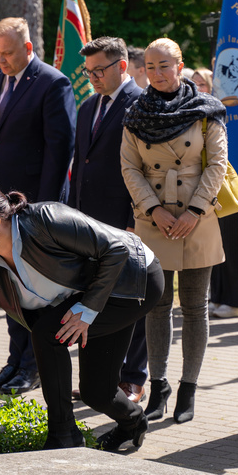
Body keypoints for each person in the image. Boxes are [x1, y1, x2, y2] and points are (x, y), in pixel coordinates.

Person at [0, 182, 164, 451]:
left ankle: (64, 434)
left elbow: (116, 249)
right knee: (96, 393)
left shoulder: (47, 219)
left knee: (47, 333)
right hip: (96, 292)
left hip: (135, 280)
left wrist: (88, 310)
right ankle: (134, 423)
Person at [121, 37, 227, 424]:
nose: (157, 73)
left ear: (180, 65)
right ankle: (160, 385)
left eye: (164, 65)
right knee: (156, 306)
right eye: (150, 67)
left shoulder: (206, 110)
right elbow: (130, 168)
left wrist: (193, 211)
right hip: (154, 221)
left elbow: (217, 163)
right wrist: (153, 210)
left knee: (196, 306)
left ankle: (189, 389)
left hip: (197, 218)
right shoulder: (135, 113)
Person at [0, 17, 76, 394]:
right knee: (7, 286)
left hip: (33, 206)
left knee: (34, 291)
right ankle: (14, 362)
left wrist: (42, 208)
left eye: (8, 53)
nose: (1, 61)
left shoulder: (52, 83)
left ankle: (32, 367)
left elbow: (60, 148)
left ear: (29, 49)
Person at [71, 36, 147, 403]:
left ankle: (133, 377)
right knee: (95, 296)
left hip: (127, 220)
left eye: (99, 71)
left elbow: (145, 167)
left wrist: (136, 218)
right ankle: (100, 378)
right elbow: (81, 165)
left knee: (132, 298)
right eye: (88, 72)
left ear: (121, 66)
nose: (93, 78)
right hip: (89, 221)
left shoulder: (142, 104)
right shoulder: (87, 108)